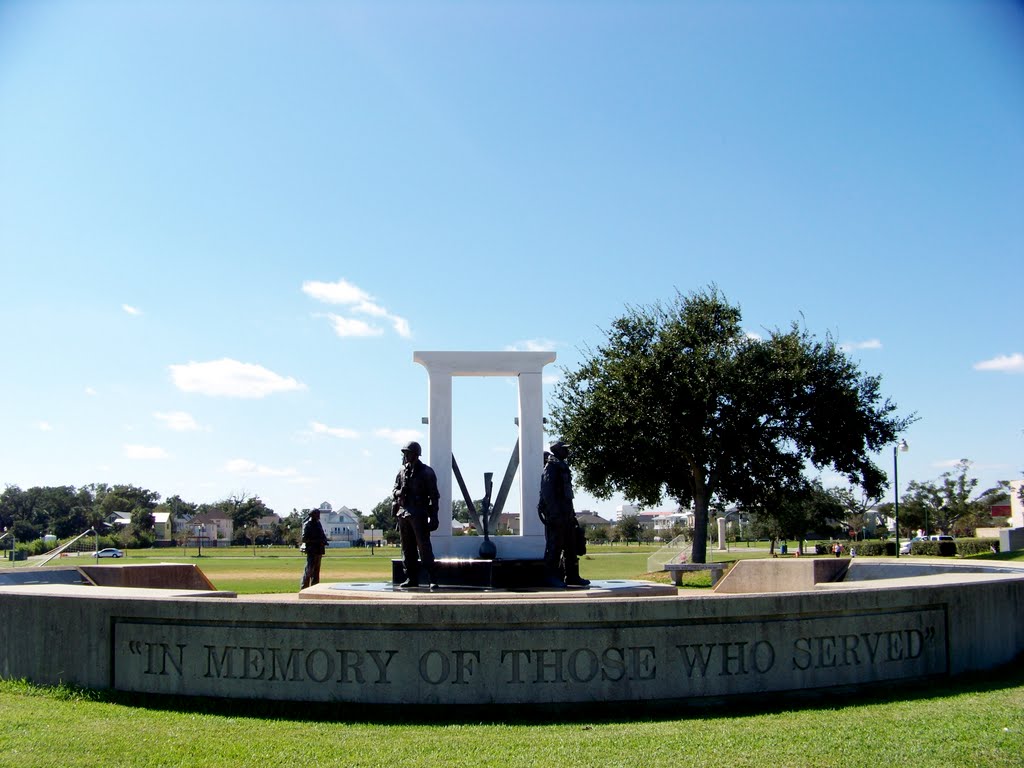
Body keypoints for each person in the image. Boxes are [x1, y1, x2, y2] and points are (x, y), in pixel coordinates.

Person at [539, 440, 589, 588]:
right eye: (564, 449)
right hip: (556, 515)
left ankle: (572, 576)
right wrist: (554, 514)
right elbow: (547, 493)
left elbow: (567, 494)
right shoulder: (551, 467)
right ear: (557, 450)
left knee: (571, 546)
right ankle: (551, 577)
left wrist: (571, 514)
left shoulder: (562, 467)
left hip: (567, 513)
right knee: (554, 546)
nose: (567, 452)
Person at [392, 441, 440, 589]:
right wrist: (400, 492)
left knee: (424, 547)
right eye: (404, 453)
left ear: (416, 454)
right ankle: (411, 577)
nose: (405, 456)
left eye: (408, 453)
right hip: (404, 514)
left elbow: (434, 496)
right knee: (407, 549)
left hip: (419, 513)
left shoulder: (427, 472)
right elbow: (394, 491)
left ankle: (432, 577)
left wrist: (434, 516)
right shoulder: (401, 471)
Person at [299, 508, 328, 590]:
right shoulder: (307, 524)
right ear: (312, 515)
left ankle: (315, 588)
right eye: (317, 514)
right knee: (309, 570)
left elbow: (322, 534)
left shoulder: (318, 523)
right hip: (312, 550)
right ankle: (304, 587)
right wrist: (316, 540)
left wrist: (324, 540)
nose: (319, 516)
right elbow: (304, 539)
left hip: (319, 549)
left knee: (316, 571)